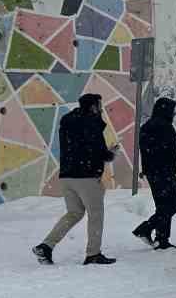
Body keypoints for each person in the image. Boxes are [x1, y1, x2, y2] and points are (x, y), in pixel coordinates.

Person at [33, 94, 116, 266]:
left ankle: (46, 246)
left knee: (74, 213)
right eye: (99, 106)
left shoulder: (67, 121)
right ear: (93, 107)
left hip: (67, 176)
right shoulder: (91, 123)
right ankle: (93, 254)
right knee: (96, 214)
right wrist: (111, 153)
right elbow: (98, 151)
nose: (101, 109)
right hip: (86, 177)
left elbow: (79, 147)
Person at [133, 96, 176, 250]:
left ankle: (162, 239)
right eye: (172, 110)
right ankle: (146, 228)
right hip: (164, 172)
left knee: (163, 205)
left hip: (152, 172)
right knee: (174, 203)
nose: (174, 114)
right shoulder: (166, 127)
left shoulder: (146, 127)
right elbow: (169, 152)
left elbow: (150, 151)